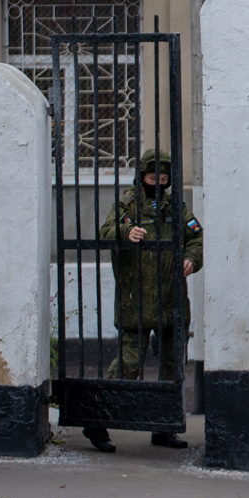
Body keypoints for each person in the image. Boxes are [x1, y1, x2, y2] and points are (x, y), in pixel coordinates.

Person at [84, 148, 202, 453]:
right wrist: (126, 231)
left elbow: (197, 237)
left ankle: (163, 427)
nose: (159, 183)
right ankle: (97, 421)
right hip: (135, 299)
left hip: (171, 300)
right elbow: (106, 231)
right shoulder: (128, 204)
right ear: (142, 177)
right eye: (153, 178)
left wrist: (191, 258)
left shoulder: (177, 208)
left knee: (172, 365)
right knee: (128, 364)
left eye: (164, 179)